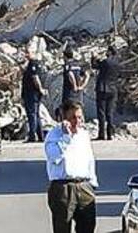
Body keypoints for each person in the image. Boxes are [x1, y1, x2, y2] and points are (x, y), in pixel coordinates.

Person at [45, 100, 98, 233]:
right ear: (64, 119)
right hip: (63, 188)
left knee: (88, 226)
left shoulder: (83, 135)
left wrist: (92, 183)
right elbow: (55, 157)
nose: (77, 121)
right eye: (72, 117)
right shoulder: (53, 136)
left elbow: (89, 159)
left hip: (84, 186)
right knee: (62, 227)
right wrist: (65, 137)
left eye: (79, 117)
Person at [92, 45, 121, 141]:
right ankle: (110, 134)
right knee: (110, 112)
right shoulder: (118, 63)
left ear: (110, 52)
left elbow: (95, 66)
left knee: (101, 112)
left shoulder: (106, 62)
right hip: (113, 89)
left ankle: (101, 134)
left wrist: (94, 57)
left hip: (103, 89)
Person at [22, 48, 48, 142]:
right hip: (32, 93)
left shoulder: (33, 64)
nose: (26, 55)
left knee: (32, 114)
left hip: (32, 93)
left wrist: (40, 89)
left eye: (28, 53)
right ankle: (40, 135)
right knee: (36, 114)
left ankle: (32, 136)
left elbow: (35, 78)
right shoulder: (33, 64)